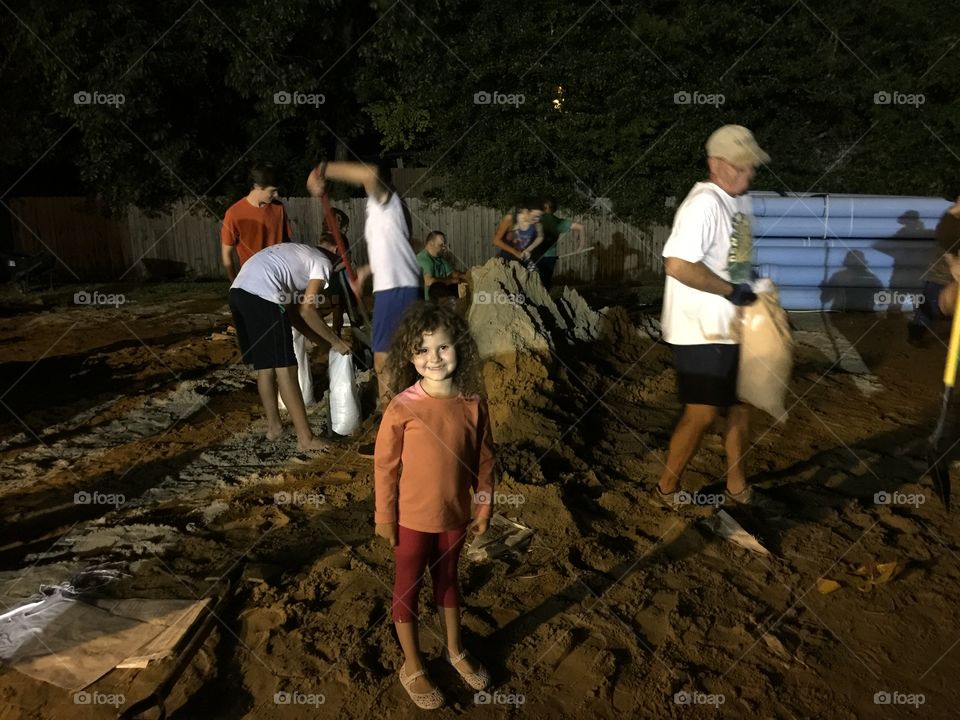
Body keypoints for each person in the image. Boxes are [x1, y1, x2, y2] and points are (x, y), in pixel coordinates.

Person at [373, 302, 494, 709]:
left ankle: (454, 649)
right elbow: (385, 466)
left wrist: (483, 506)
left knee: (448, 580)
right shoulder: (402, 407)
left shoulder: (473, 403)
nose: (434, 358)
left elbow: (484, 460)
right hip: (409, 520)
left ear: (459, 346)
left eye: (443, 347)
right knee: (407, 585)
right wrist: (384, 516)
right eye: (422, 350)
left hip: (455, 517)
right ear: (410, 357)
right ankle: (412, 663)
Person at [656, 124, 769, 508]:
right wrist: (729, 290)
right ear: (716, 164)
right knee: (702, 414)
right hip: (700, 329)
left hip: (734, 325)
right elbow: (677, 265)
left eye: (752, 165)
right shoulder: (703, 204)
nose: (749, 172)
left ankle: (737, 486)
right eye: (742, 165)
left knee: (741, 406)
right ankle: (667, 488)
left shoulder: (741, 201)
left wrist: (755, 292)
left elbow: (738, 259)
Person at [306, 162, 420, 421]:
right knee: (400, 355)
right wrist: (366, 272)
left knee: (384, 361)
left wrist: (321, 170)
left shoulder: (384, 200)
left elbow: (371, 173)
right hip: (398, 285)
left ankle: (392, 424)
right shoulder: (394, 207)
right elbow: (406, 245)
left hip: (395, 288)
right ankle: (404, 419)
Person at [229, 242, 351, 451]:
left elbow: (294, 315)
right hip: (262, 296)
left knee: (266, 368)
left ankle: (274, 427)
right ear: (336, 252)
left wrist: (323, 343)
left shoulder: (300, 257)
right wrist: (336, 342)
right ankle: (306, 439)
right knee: (287, 369)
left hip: (238, 293)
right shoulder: (322, 262)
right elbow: (307, 310)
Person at [221, 163, 315, 407]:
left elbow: (287, 243)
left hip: (280, 282)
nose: (276, 194)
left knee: (290, 340)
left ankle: (296, 398)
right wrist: (236, 283)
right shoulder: (234, 213)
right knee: (267, 357)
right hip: (255, 288)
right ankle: (280, 408)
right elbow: (227, 255)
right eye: (272, 190)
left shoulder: (278, 209)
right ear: (257, 186)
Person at [908, 193, 960, 344]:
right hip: (940, 274)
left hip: (953, 276)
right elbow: (946, 246)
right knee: (930, 306)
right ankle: (915, 333)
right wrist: (953, 263)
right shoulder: (949, 221)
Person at [532, 199, 586, 289]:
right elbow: (581, 227)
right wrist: (580, 247)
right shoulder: (558, 221)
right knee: (546, 283)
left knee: (532, 282)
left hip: (535, 255)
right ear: (554, 209)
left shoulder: (536, 219)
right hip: (550, 257)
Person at [416, 230, 466, 300]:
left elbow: (454, 274)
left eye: (444, 245)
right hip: (428, 302)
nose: (443, 248)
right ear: (431, 243)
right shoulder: (424, 259)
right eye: (441, 245)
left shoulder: (439, 258)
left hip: (441, 300)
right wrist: (450, 281)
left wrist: (471, 276)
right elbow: (429, 281)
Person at [492, 201, 543, 267]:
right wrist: (516, 253)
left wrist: (528, 249)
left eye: (539, 217)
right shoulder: (510, 219)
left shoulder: (536, 224)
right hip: (507, 259)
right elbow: (496, 241)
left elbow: (540, 237)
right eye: (535, 216)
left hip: (523, 259)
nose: (537, 220)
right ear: (526, 211)